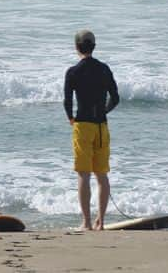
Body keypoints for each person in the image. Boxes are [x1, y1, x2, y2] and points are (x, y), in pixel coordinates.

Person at [64, 29, 120, 230]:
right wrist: (103, 112)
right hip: (101, 126)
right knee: (102, 175)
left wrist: (71, 117)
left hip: (83, 125)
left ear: (76, 47)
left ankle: (87, 222)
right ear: (94, 47)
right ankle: (102, 222)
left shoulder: (73, 71)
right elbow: (115, 98)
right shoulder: (104, 69)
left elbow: (67, 100)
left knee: (84, 175)